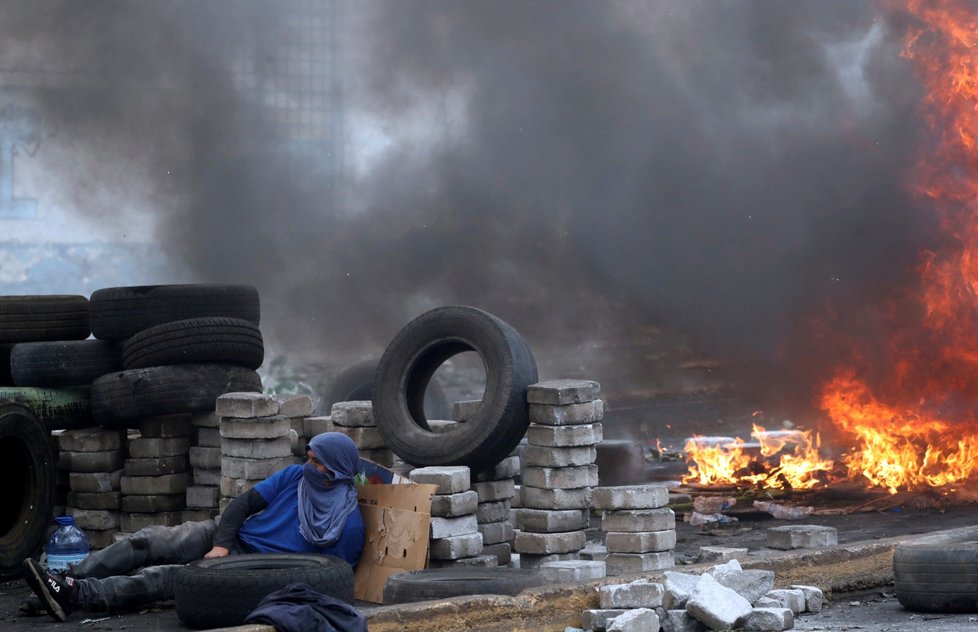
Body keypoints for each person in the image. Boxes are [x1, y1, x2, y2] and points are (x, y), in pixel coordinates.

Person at [23, 431, 366, 622]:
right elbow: (243, 505)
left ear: (335, 470)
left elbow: (329, 580)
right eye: (308, 457)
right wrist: (221, 543)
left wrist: (236, 567)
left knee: (164, 576)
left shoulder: (347, 528)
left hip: (254, 568)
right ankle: (68, 578)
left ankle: (77, 596)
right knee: (146, 541)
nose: (308, 465)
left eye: (316, 462)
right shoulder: (294, 477)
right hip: (229, 537)